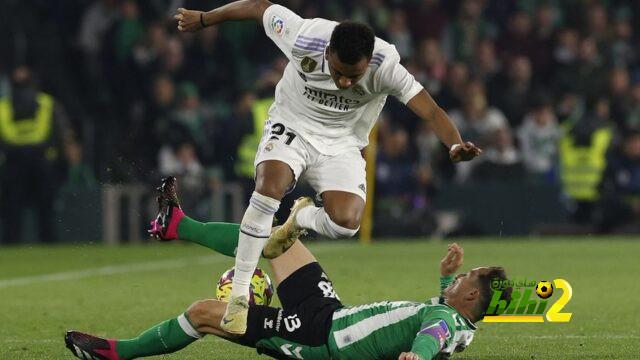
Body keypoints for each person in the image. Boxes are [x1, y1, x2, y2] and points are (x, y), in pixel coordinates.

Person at [173, 0, 482, 334]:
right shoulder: (304, 36)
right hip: (292, 126)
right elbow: (258, 6)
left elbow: (431, 110)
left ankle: (300, 218)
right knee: (269, 186)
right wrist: (204, 19)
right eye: (338, 73)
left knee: (347, 222)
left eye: (354, 76)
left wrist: (453, 142)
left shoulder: (387, 65)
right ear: (328, 52)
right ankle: (238, 298)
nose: (345, 83)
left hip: (342, 142)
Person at [65, 179, 510, 360]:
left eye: (467, 278)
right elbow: (447, 319)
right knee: (278, 242)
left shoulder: (444, 324)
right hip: (330, 312)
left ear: (472, 297)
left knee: (205, 312)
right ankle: (177, 225)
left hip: (316, 337)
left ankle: (116, 352)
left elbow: (432, 336)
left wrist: (419, 356)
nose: (461, 275)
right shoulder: (458, 318)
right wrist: (444, 280)